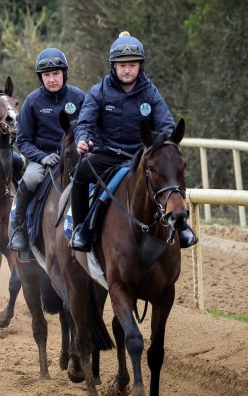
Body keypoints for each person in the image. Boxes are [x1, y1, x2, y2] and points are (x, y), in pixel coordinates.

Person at [69, 31, 198, 251]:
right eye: (122, 66)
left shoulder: (150, 92)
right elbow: (85, 124)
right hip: (108, 155)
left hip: (142, 157)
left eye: (132, 65)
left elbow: (167, 124)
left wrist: (168, 144)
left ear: (140, 66)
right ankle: (81, 229)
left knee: (171, 168)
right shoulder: (98, 92)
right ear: (113, 67)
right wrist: (83, 140)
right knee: (81, 171)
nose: (127, 70)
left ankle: (181, 224)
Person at [9, 47, 85, 251]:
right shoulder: (32, 101)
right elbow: (23, 141)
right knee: (30, 180)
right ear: (41, 77)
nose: (52, 79)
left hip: (75, 156)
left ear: (64, 74)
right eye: (47, 75)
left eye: (56, 74)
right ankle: (19, 228)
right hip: (42, 159)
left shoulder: (79, 97)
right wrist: (42, 157)